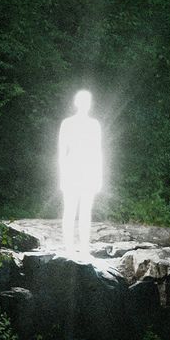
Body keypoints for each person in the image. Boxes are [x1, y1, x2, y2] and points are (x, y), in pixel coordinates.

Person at [58, 89, 102, 254]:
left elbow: (98, 152)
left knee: (85, 211)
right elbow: (61, 152)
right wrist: (61, 177)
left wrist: (99, 177)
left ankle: (84, 247)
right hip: (71, 171)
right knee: (69, 210)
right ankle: (68, 247)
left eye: (87, 102)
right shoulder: (67, 123)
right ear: (76, 103)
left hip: (88, 171)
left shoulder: (94, 124)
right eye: (82, 101)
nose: (85, 105)